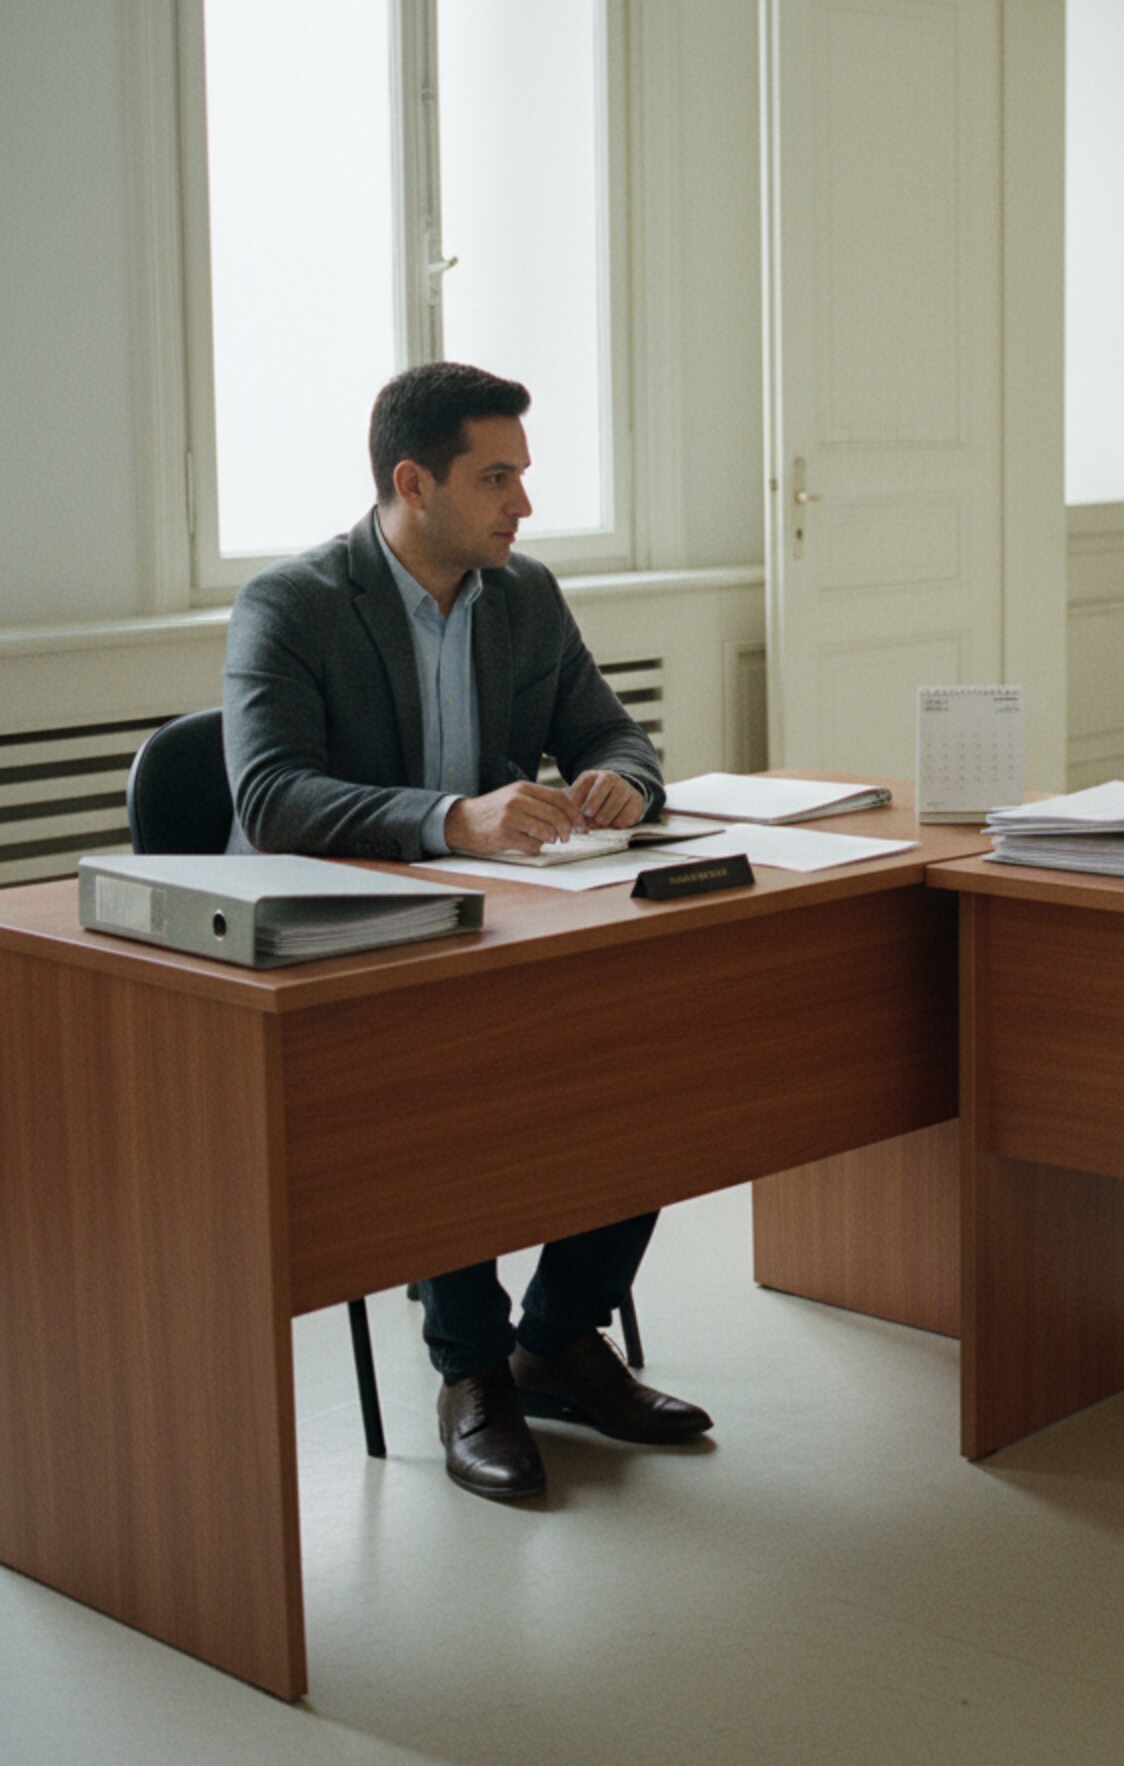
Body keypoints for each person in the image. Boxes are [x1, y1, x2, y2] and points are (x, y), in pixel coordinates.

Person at [224, 360, 712, 1502]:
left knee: (653, 1052)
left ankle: (556, 1336)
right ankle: (473, 1369)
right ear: (411, 481)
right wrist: (451, 817)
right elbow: (272, 795)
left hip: (495, 924)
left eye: (523, 477)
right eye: (496, 478)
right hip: (340, 942)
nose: (521, 505)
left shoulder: (525, 594)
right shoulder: (291, 603)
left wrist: (616, 781)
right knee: (445, 1081)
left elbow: (617, 733)